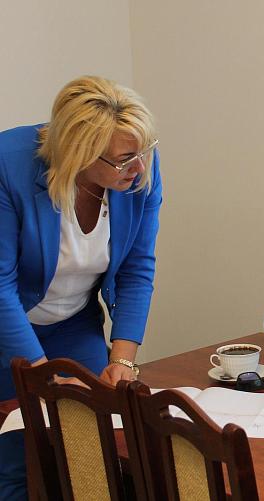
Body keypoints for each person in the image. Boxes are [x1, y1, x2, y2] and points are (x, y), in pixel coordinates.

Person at [0, 76, 162, 499]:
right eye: (125, 160)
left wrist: (123, 360)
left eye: (144, 151)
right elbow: (0, 287)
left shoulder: (139, 166)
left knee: (94, 451)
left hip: (73, 323)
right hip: (6, 328)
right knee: (18, 459)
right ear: (80, 153)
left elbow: (137, 268)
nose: (140, 168)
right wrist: (44, 375)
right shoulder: (8, 166)